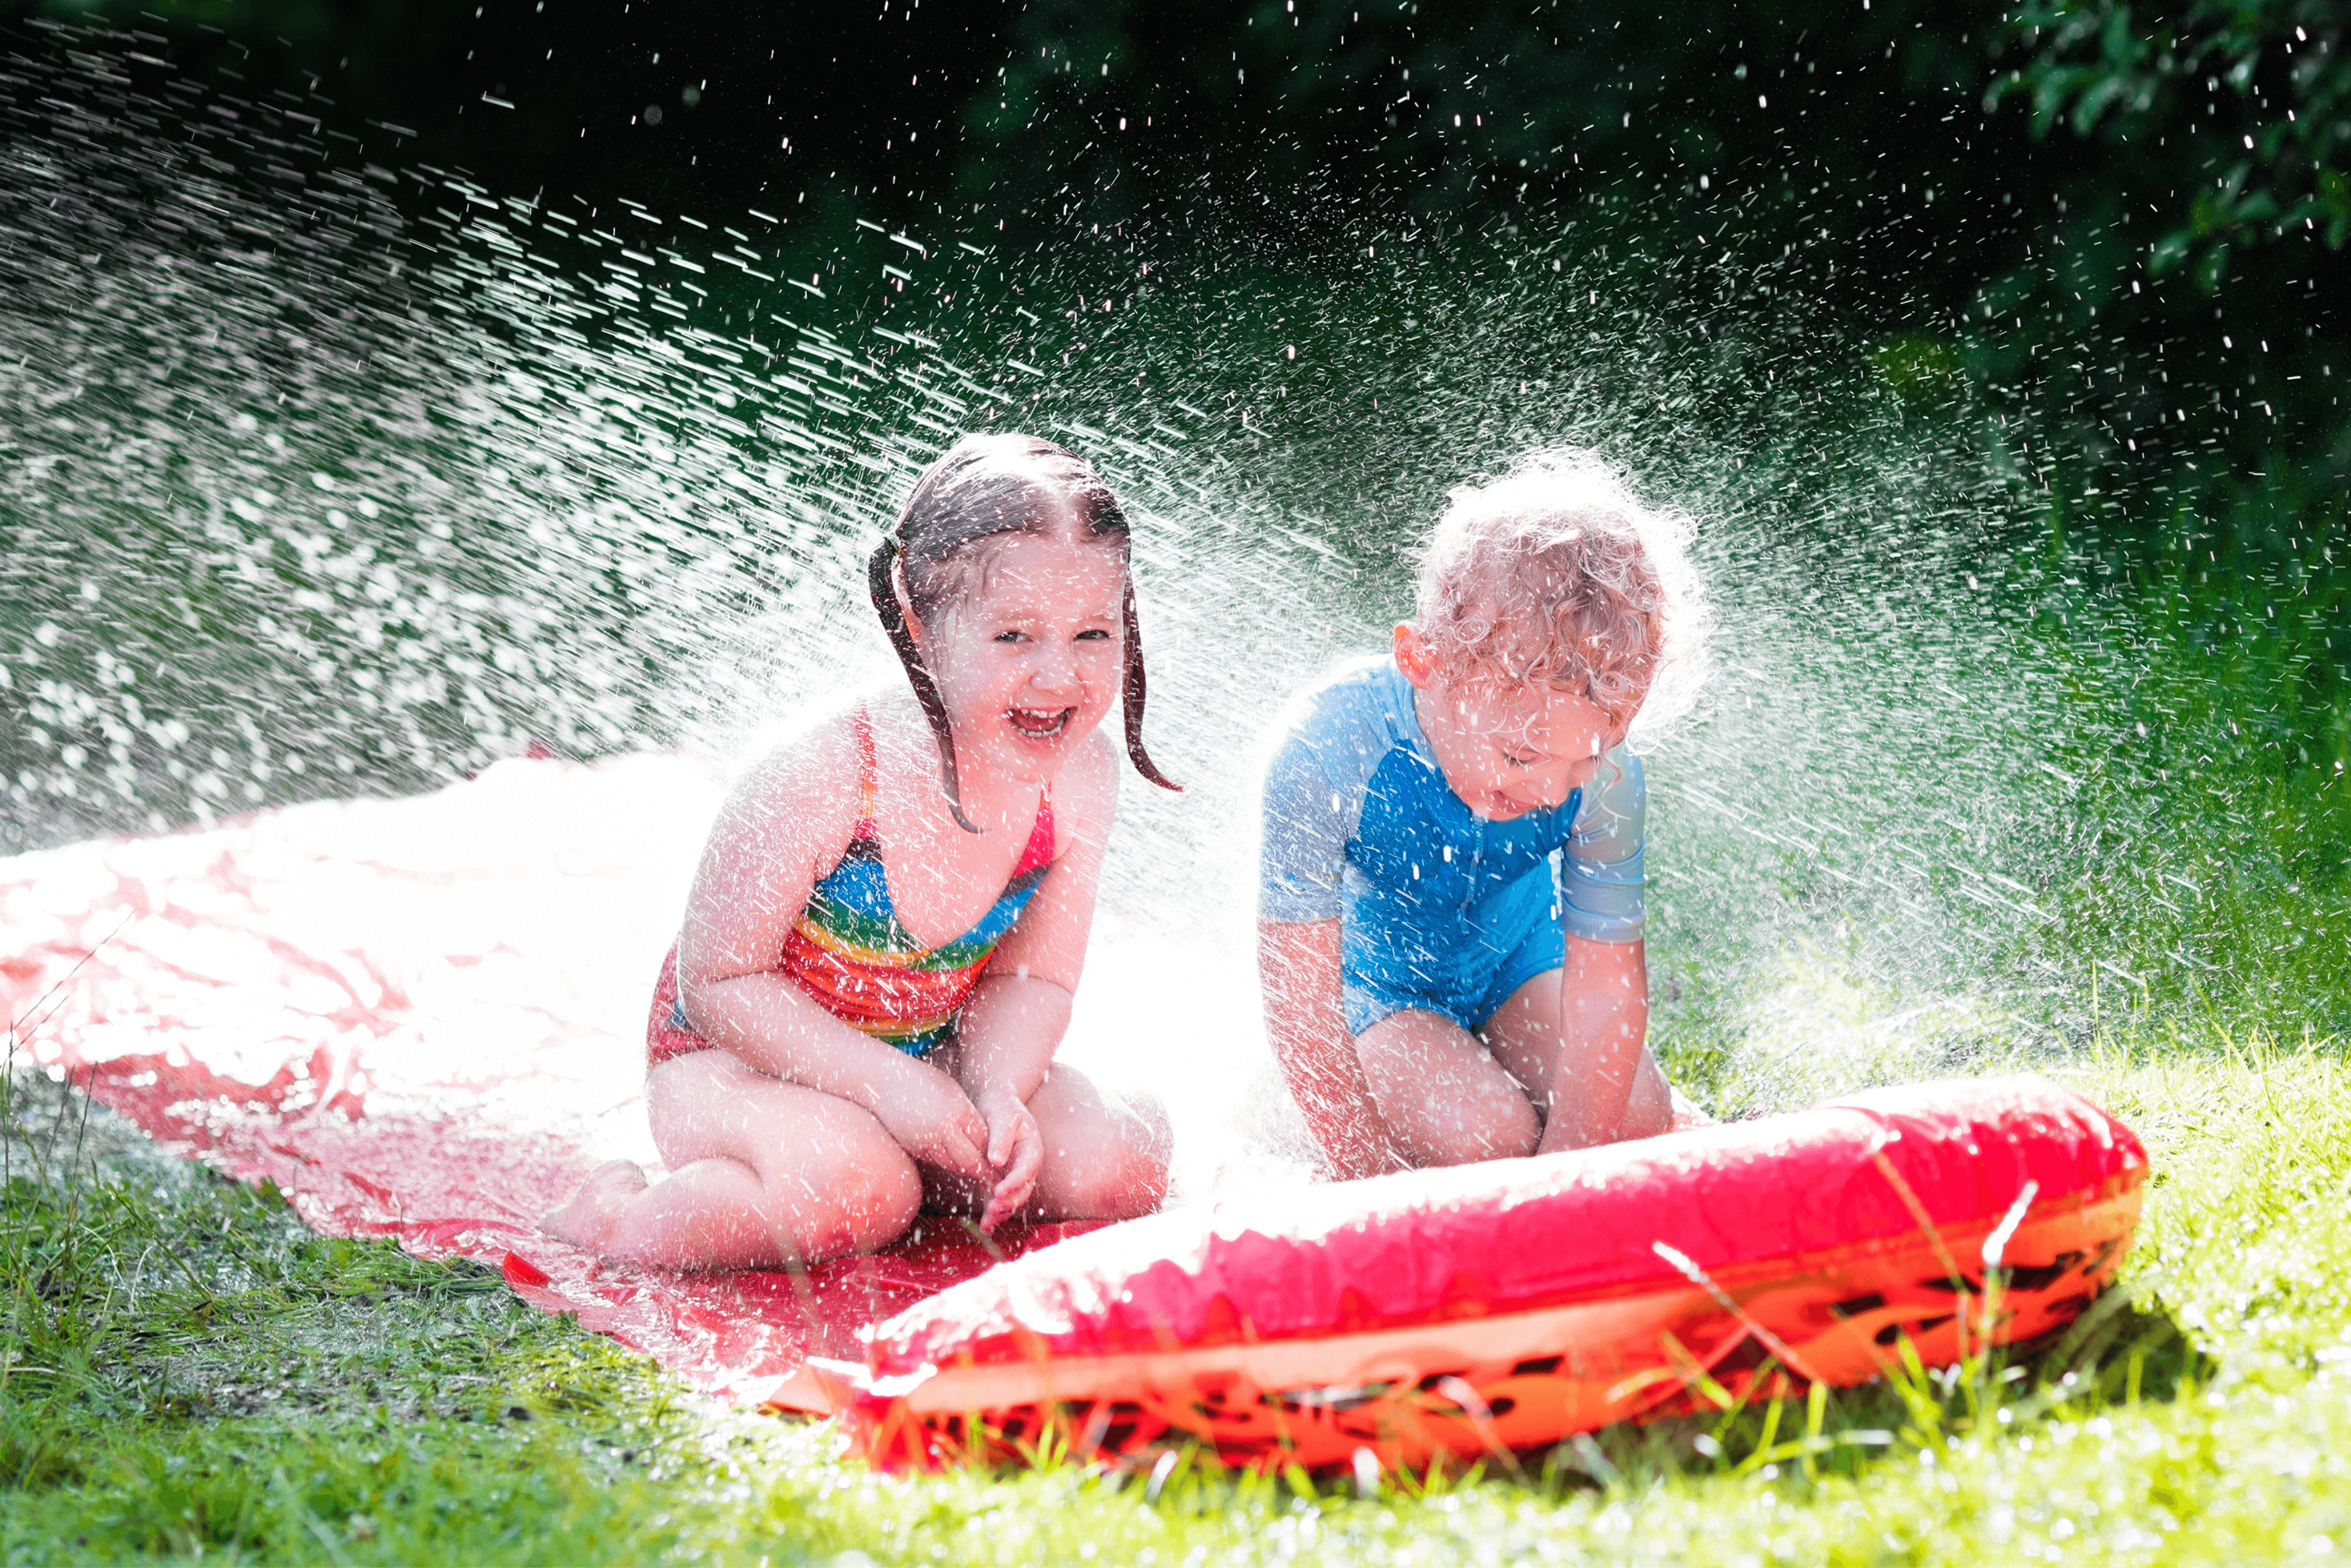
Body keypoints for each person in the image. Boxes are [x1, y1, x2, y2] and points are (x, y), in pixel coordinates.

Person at [546, 433, 1179, 1269]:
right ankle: (615, 1214)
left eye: (1092, 634)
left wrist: (992, 1088)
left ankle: (913, 1155)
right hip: (734, 1065)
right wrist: (889, 1089)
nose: (1058, 678)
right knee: (859, 1191)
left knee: (1121, 1157)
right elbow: (718, 985)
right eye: (1014, 637)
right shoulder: (826, 774)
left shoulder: (1080, 777)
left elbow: (1033, 977)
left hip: (928, 1054)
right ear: (919, 623)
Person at [1256, 449, 1706, 1181]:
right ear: (1422, 662)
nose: (1556, 793)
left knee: (1633, 1119)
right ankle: (1280, 1111)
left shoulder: (1606, 776)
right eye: (1523, 757)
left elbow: (1606, 989)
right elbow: (1297, 994)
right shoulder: (1329, 747)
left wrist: (1568, 1165)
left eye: (1585, 761)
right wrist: (1364, 1175)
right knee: (1482, 1138)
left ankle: (1510, 1087)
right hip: (1375, 987)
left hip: (1514, 962)